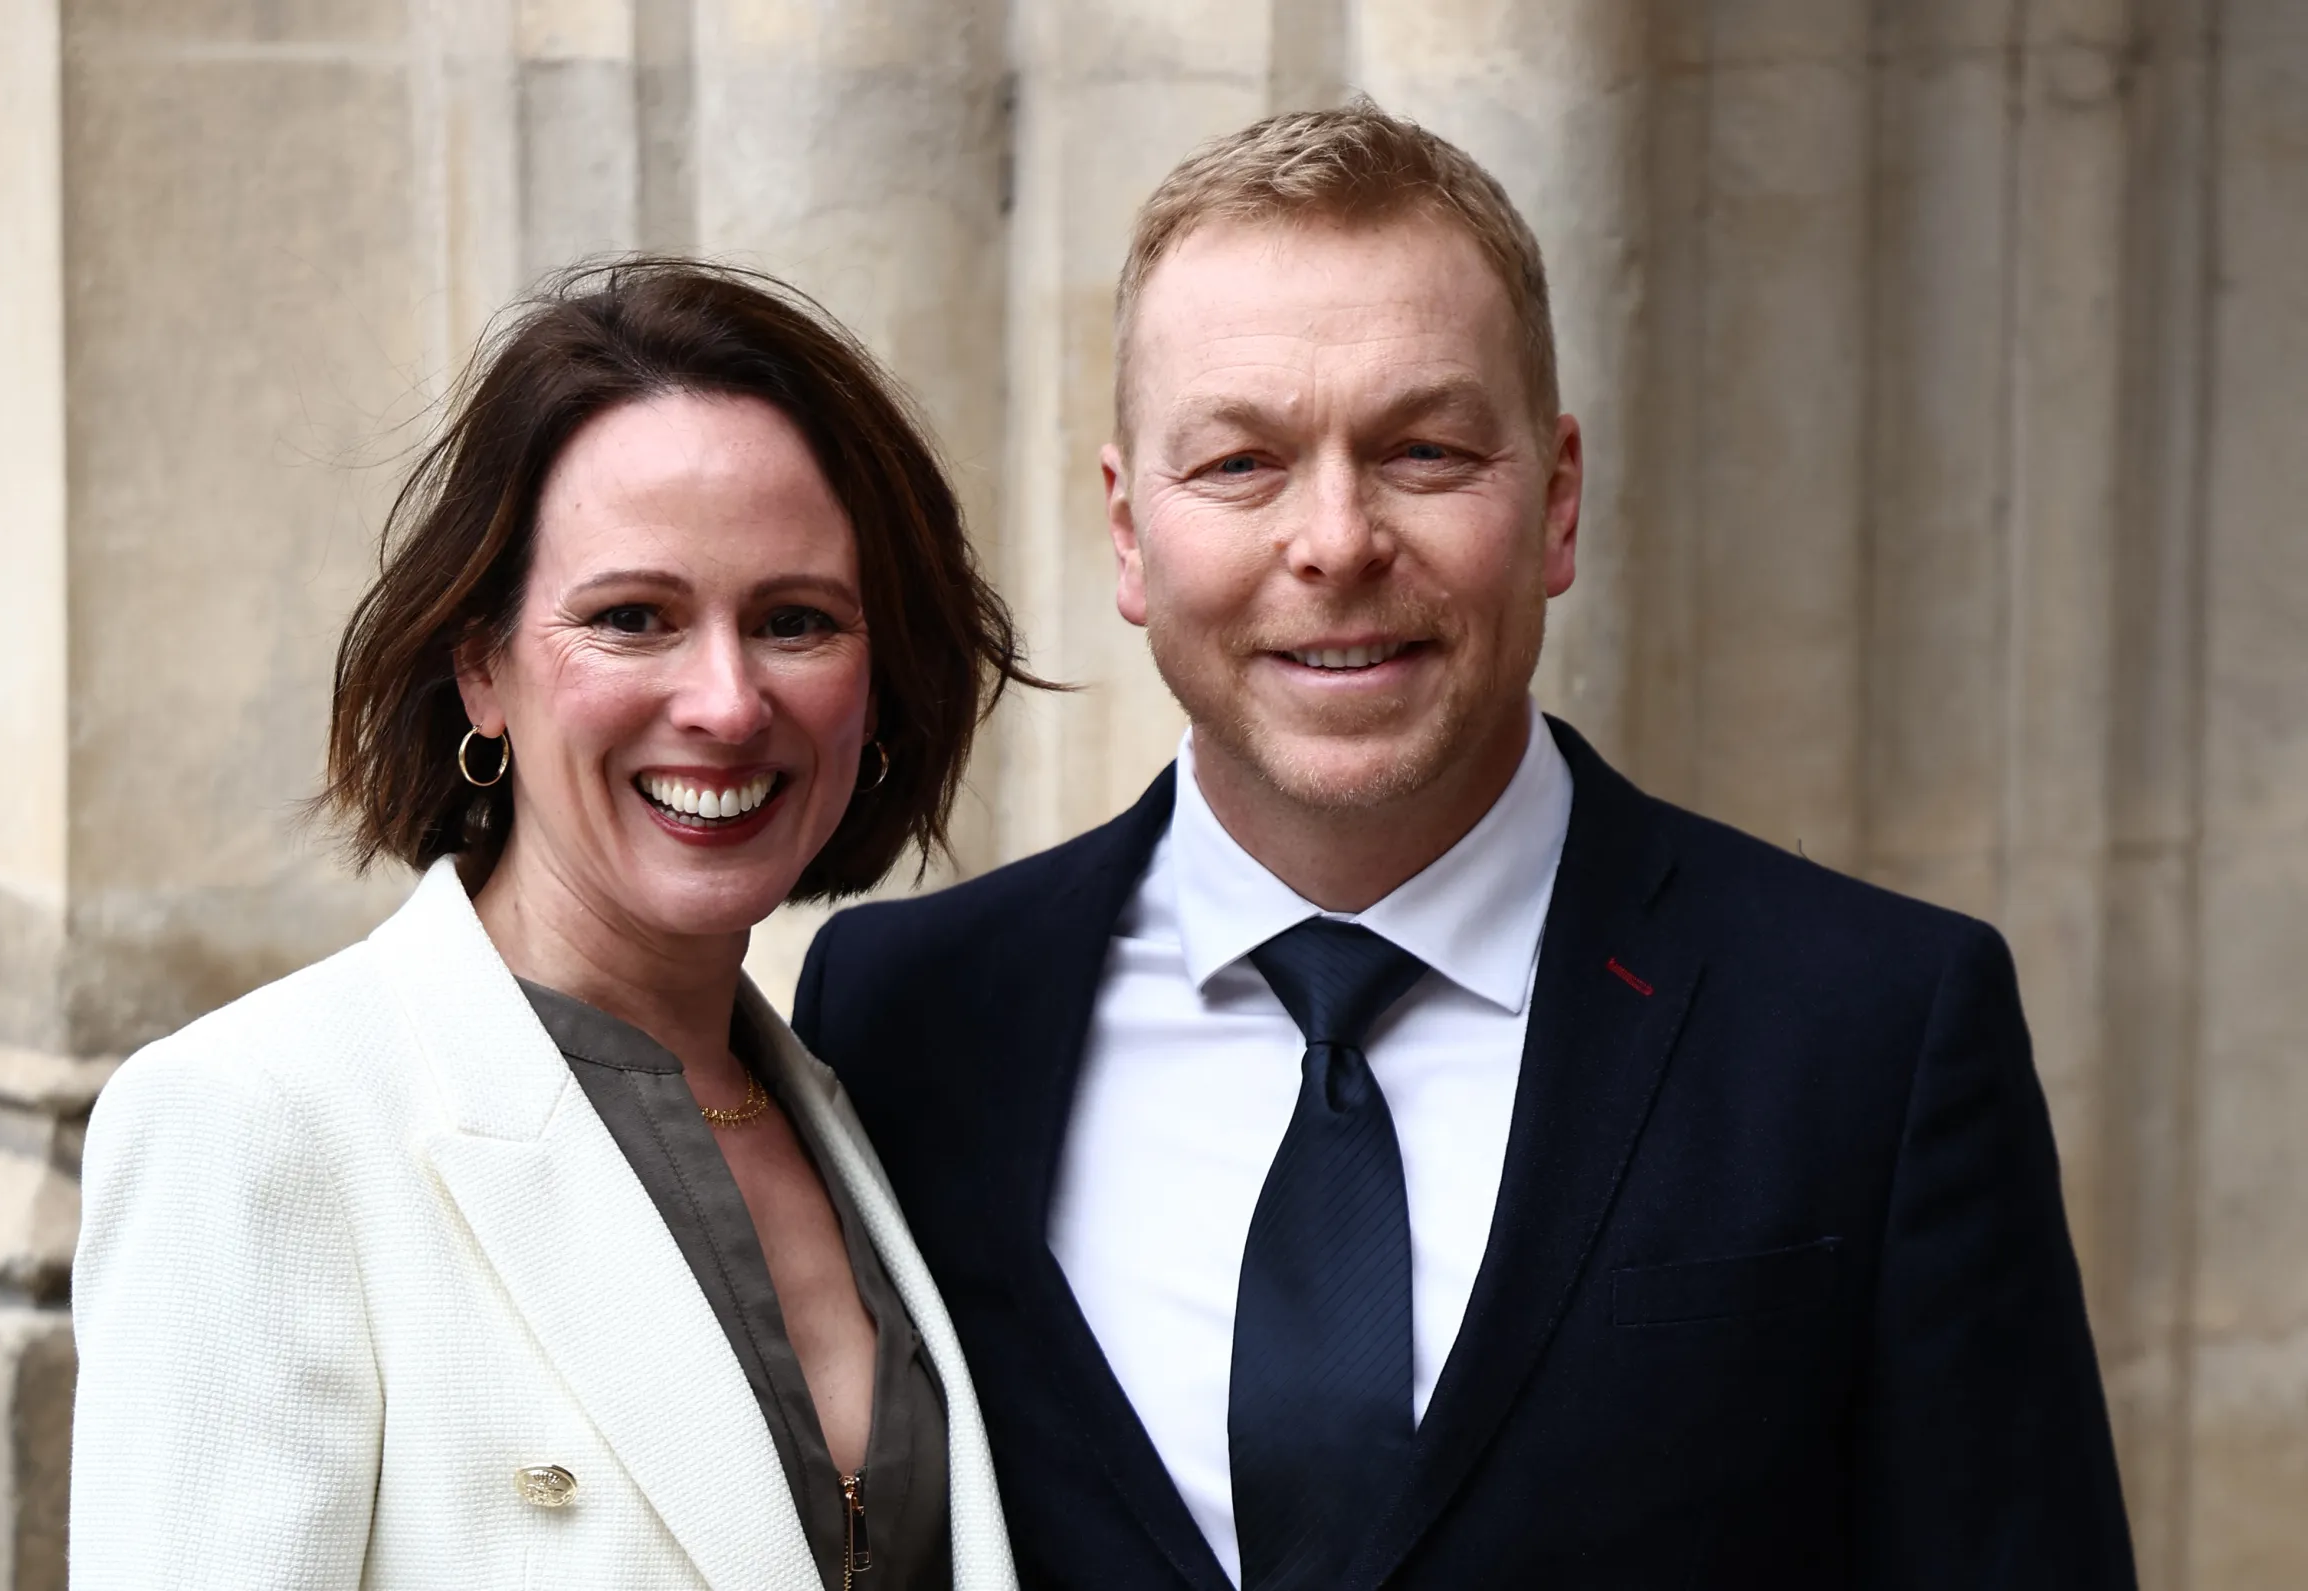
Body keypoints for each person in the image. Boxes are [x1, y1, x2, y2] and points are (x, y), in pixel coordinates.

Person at [792, 104, 2136, 1589]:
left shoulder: (1873, 1030)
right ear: (1128, 531)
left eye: (1424, 451)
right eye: (1240, 463)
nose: (1336, 540)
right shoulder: (906, 1017)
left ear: (1556, 500)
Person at [69, 259, 1032, 1590]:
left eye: (795, 621)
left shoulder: (850, 1106)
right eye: (632, 618)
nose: (727, 702)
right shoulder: (255, 1124)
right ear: (482, 666)